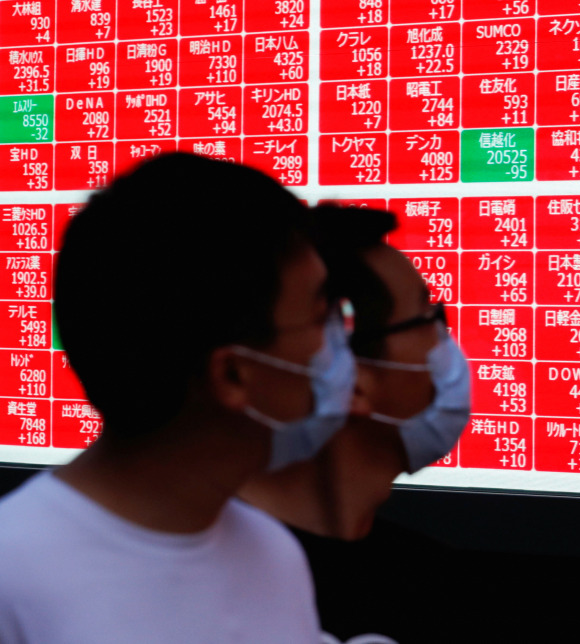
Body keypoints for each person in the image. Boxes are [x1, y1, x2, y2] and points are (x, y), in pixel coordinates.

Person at [0, 153, 353, 644]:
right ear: (230, 373)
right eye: (322, 318)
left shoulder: (272, 557)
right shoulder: (12, 578)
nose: (342, 345)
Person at [239, 204, 471, 640]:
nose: (445, 346)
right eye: (428, 319)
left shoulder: (433, 584)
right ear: (351, 380)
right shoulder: (194, 586)